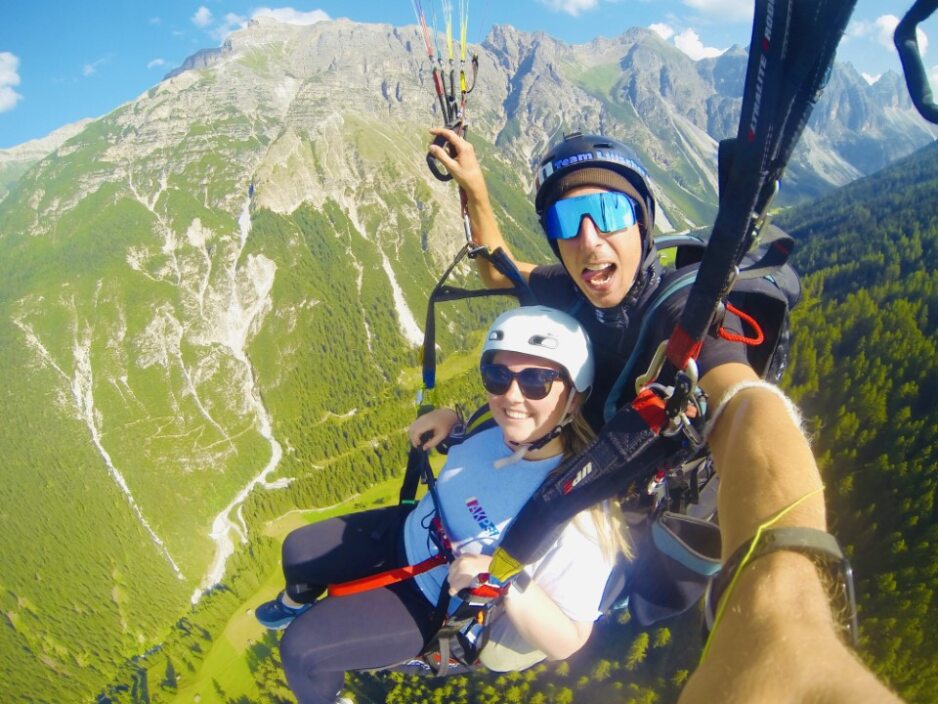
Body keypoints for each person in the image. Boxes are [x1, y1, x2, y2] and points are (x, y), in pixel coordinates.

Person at [426, 128, 901, 702]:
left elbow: (747, 408)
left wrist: (787, 607)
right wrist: (474, 186)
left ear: (642, 223)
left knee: (559, 628)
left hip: (638, 514)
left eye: (608, 211)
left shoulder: (681, 314)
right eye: (566, 219)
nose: (587, 238)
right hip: (583, 465)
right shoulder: (572, 289)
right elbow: (499, 271)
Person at [254, 306, 630, 704]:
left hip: (434, 600)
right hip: (409, 532)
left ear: (573, 398)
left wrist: (502, 577)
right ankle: (296, 601)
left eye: (537, 381)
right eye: (497, 377)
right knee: (296, 549)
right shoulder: (497, 426)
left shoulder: (575, 511)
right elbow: (485, 451)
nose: (512, 396)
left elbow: (569, 640)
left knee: (302, 651)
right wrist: (452, 419)